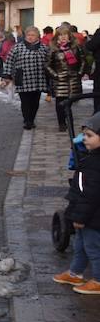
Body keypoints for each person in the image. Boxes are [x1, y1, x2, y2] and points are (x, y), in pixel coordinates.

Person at [62, 113, 100, 295]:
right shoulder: (91, 158)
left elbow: (90, 195)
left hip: (93, 217)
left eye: (90, 136)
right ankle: (75, 272)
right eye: (84, 134)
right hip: (88, 214)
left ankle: (98, 280)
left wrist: (79, 217)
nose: (84, 139)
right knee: (80, 244)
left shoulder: (94, 164)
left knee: (93, 247)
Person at [4, 27, 49, 130]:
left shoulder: (44, 48)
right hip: (22, 78)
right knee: (25, 101)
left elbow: (49, 62)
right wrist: (7, 75)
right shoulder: (17, 47)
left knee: (35, 102)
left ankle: (31, 119)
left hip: (38, 78)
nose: (30, 37)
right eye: (28, 35)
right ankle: (27, 120)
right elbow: (9, 61)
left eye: (33, 35)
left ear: (38, 36)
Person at [47, 26, 87, 132]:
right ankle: (62, 123)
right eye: (60, 34)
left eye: (65, 34)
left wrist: (79, 73)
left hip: (73, 79)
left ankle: (69, 121)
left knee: (70, 102)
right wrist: (55, 75)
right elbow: (47, 65)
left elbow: (83, 61)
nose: (63, 37)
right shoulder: (53, 49)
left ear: (69, 36)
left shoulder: (76, 47)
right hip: (60, 80)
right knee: (60, 103)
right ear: (57, 36)